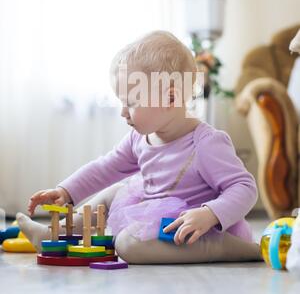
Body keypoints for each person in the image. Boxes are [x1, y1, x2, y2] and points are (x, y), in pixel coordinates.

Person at [17, 30, 261, 263]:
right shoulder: (138, 138)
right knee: (115, 192)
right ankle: (55, 234)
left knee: (128, 245)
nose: (123, 112)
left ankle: (239, 250)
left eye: (131, 103)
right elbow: (105, 168)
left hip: (194, 228)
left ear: (170, 98)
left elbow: (244, 187)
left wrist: (210, 214)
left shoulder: (205, 143)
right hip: (154, 214)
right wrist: (67, 191)